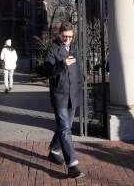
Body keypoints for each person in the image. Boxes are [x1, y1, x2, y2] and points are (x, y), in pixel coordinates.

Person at [44, 22, 85, 179]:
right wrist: (62, 64)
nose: (68, 39)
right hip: (60, 94)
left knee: (65, 126)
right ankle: (72, 165)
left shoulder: (74, 48)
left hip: (73, 93)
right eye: (65, 36)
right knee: (65, 129)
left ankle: (54, 151)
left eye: (70, 36)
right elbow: (47, 71)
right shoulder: (53, 49)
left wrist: (82, 78)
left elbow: (79, 66)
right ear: (59, 34)